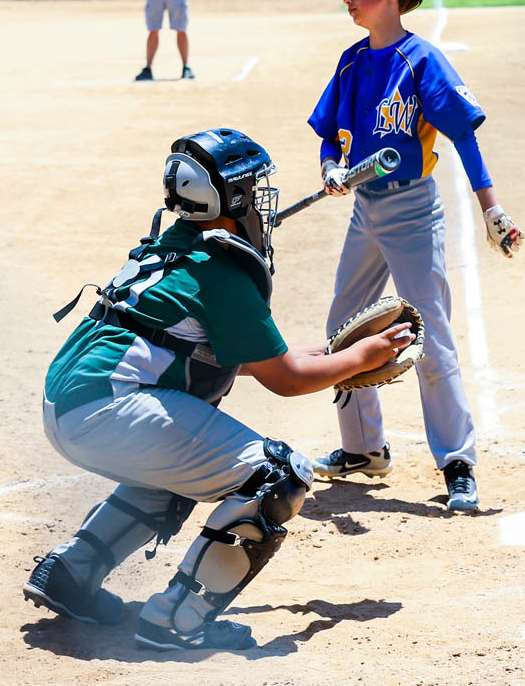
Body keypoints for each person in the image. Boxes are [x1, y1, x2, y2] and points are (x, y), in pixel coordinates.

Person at [23, 128, 415, 650]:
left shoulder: (176, 246)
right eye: (254, 189)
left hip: (73, 403)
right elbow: (287, 380)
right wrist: (361, 358)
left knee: (176, 474)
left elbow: (225, 354)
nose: (261, 200)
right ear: (231, 198)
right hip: (111, 411)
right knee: (278, 476)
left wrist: (332, 356)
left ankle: (71, 574)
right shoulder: (223, 274)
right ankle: (176, 620)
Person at [305, 0, 524, 513]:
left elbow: (464, 134)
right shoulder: (353, 61)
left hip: (411, 211)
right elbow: (330, 131)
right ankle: (363, 449)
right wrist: (330, 164)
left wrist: (491, 209)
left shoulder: (419, 61)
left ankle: (457, 462)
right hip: (364, 206)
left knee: (430, 333)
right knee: (344, 327)